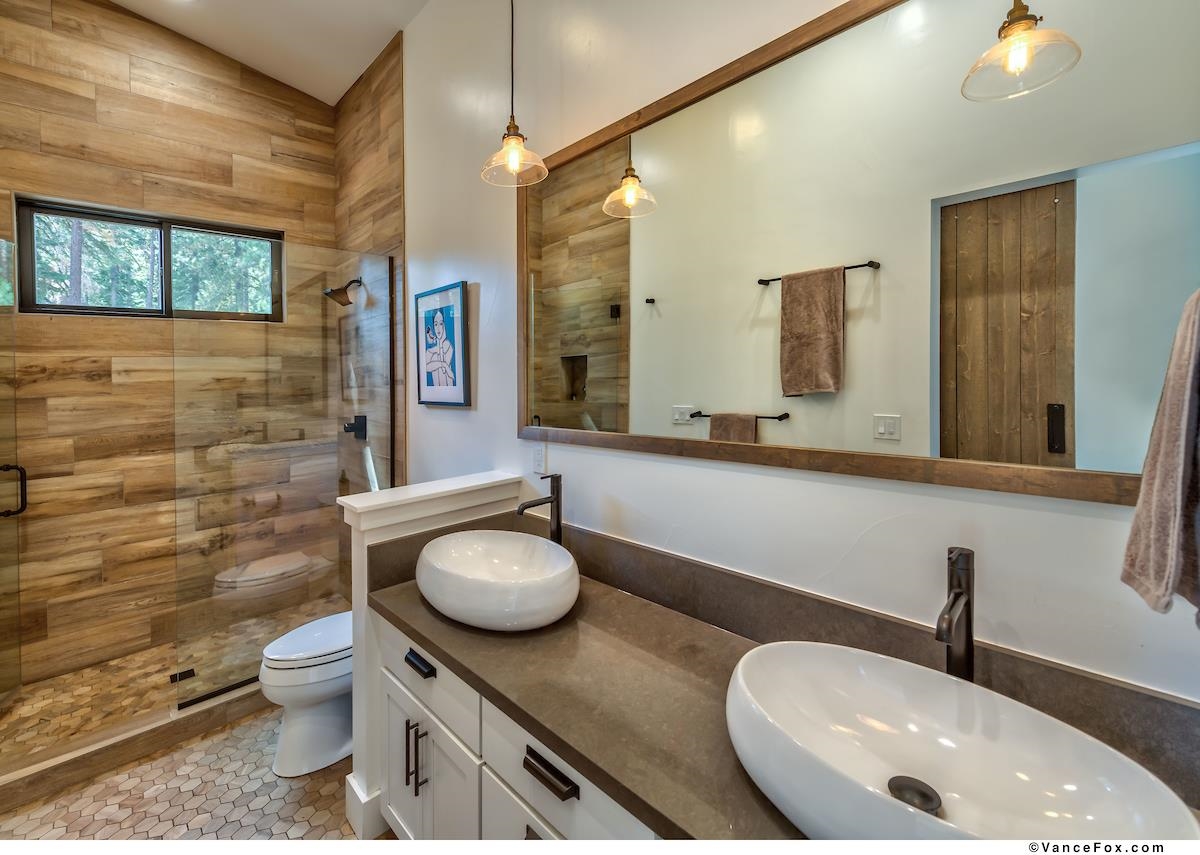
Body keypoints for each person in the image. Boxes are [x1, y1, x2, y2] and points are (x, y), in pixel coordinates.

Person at [424, 308, 455, 386]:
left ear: (444, 325)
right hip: (435, 394)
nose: (438, 328)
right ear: (433, 326)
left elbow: (444, 370)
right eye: (435, 324)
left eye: (441, 324)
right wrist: (443, 364)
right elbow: (426, 367)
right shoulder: (432, 351)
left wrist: (444, 365)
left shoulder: (448, 345)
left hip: (449, 392)